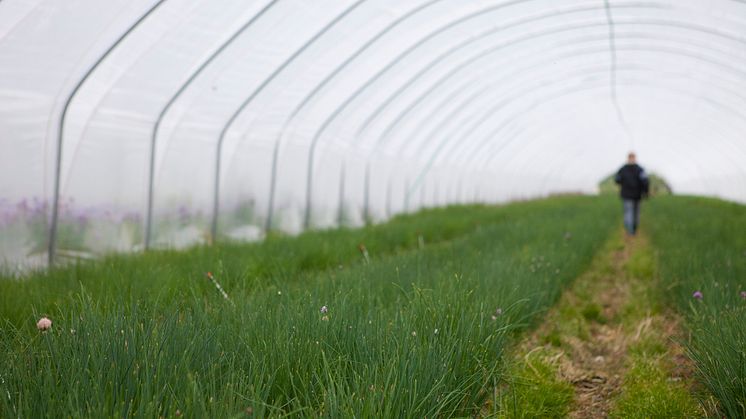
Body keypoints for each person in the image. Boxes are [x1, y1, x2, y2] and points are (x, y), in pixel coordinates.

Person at [614, 152, 649, 236]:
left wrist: (622, 182)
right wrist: (645, 192)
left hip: (627, 194)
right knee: (635, 213)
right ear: (634, 158)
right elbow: (645, 181)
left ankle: (630, 230)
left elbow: (617, 179)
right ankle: (633, 229)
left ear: (628, 158)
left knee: (629, 212)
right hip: (636, 194)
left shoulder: (622, 169)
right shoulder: (640, 169)